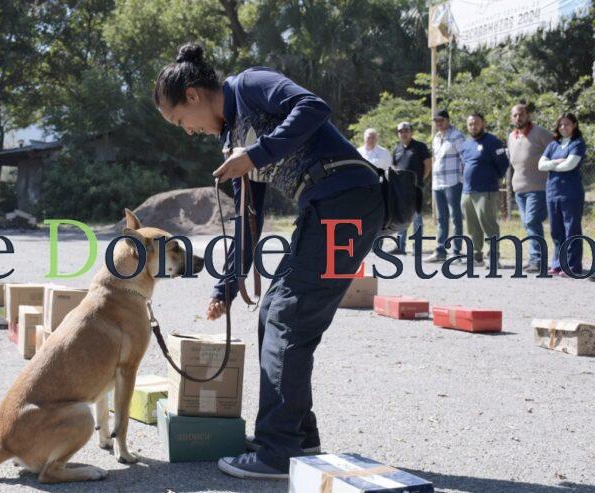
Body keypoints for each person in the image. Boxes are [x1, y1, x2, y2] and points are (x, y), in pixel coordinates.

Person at [153, 43, 384, 480]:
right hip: (324, 207)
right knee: (275, 314)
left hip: (348, 201)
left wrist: (255, 155)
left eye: (180, 120)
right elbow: (248, 220)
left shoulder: (251, 85)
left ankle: (277, 452)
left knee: (285, 316)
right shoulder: (230, 141)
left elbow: (314, 107)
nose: (186, 131)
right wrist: (226, 285)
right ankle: (298, 437)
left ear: (194, 97)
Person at [507, 103, 553, 273]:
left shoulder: (540, 133)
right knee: (528, 225)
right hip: (519, 188)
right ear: (511, 118)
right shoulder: (512, 136)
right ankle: (535, 257)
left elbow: (557, 149)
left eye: (521, 114)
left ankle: (538, 259)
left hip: (538, 187)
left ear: (528, 115)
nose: (518, 118)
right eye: (515, 115)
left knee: (532, 221)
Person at [539, 113, 587, 277]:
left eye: (566, 124)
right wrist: (555, 163)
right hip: (553, 193)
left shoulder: (577, 143)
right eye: (560, 125)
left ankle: (573, 266)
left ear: (574, 125)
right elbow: (540, 165)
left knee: (571, 229)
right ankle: (558, 264)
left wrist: (551, 164)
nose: (563, 127)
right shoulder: (553, 144)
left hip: (570, 193)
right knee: (556, 230)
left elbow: (569, 165)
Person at [459, 113, 510, 267]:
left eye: (476, 123)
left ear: (483, 124)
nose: (473, 126)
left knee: (488, 224)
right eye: (470, 124)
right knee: (472, 226)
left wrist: (493, 178)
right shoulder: (466, 145)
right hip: (467, 191)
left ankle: (494, 257)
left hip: (486, 190)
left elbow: (503, 163)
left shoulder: (493, 141)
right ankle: (477, 256)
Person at [427, 109, 466, 263]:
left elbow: (465, 158)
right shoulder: (436, 137)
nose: (439, 123)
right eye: (436, 121)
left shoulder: (457, 136)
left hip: (453, 182)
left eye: (441, 120)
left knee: (455, 217)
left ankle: (456, 252)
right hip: (438, 183)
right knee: (441, 218)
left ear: (448, 120)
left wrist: (462, 179)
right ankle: (440, 251)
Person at [390, 121, 431, 255]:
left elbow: (428, 164)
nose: (404, 133)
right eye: (401, 131)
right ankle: (400, 247)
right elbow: (394, 167)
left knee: (416, 217)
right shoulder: (396, 149)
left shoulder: (420, 146)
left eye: (406, 131)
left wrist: (420, 180)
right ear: (398, 134)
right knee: (402, 217)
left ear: (411, 132)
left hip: (416, 187)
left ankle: (417, 247)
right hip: (401, 189)